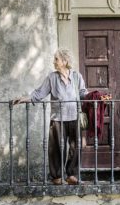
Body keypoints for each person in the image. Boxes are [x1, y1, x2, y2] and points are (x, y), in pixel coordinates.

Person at [13, 48, 88, 185]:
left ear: (65, 61)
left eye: (56, 59)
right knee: (56, 148)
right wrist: (24, 99)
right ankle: (57, 176)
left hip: (74, 116)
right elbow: (39, 93)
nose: (54, 62)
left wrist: (96, 97)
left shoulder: (77, 76)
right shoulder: (52, 78)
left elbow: (83, 93)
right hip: (57, 118)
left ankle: (71, 175)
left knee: (75, 146)